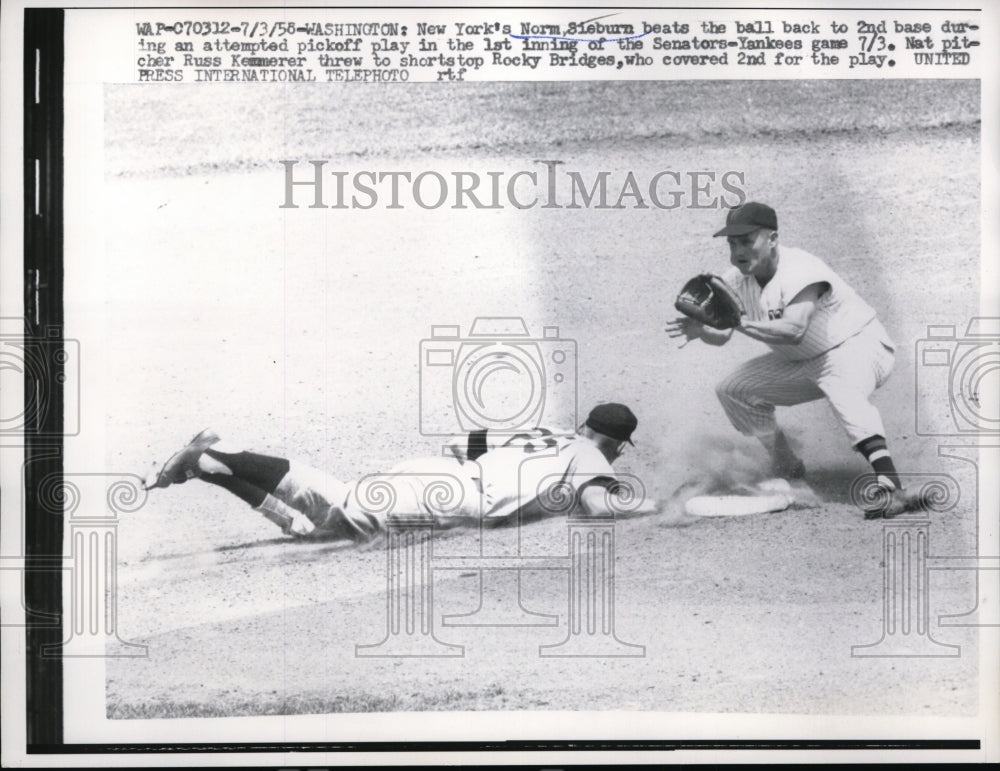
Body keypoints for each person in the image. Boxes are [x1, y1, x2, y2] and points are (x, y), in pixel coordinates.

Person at [666, 201, 915, 518]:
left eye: (746, 240)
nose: (738, 250)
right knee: (733, 389)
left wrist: (738, 322)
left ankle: (892, 486)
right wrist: (702, 331)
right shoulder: (735, 281)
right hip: (805, 361)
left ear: (772, 239)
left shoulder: (801, 269)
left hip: (859, 347)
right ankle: (787, 465)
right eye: (732, 243)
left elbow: (795, 329)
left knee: (842, 388)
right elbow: (723, 336)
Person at [142, 403, 649, 541]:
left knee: (323, 528)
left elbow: (459, 443)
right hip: (454, 496)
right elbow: (600, 510)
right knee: (340, 504)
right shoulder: (591, 455)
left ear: (584, 422)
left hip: (438, 475)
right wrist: (649, 508)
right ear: (617, 445)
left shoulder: (549, 430)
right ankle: (222, 451)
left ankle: (209, 468)